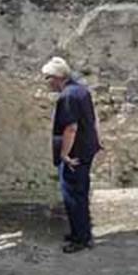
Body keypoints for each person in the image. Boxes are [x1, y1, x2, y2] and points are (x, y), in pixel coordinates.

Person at [41, 56, 101, 253]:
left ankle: (80, 239)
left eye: (46, 77)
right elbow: (92, 121)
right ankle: (81, 232)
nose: (46, 82)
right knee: (80, 193)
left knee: (73, 195)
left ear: (57, 77)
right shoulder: (81, 90)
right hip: (86, 149)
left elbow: (71, 128)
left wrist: (64, 155)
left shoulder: (68, 96)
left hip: (75, 153)